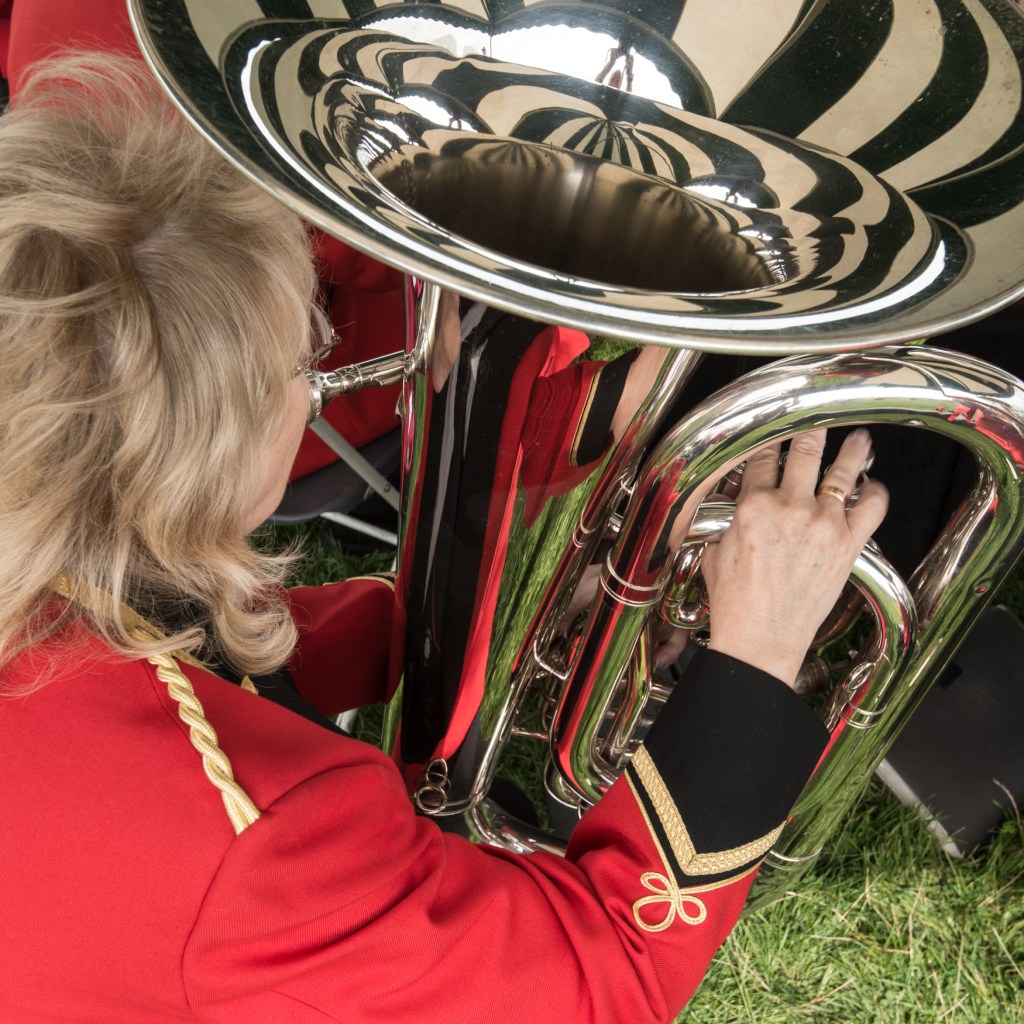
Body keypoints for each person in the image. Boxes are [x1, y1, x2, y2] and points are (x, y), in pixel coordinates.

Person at [0, 55, 888, 1023]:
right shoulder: (266, 838)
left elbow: (200, 655)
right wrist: (757, 655)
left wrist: (528, 605)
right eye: (305, 355)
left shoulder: (46, 551)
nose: (321, 383)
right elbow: (606, 983)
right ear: (202, 458)